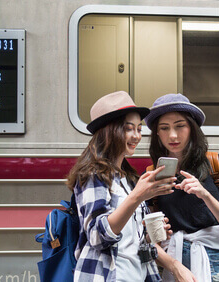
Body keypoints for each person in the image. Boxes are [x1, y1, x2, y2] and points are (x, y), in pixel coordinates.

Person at [66, 91, 176, 282]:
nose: (136, 136)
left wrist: (150, 236)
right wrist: (137, 197)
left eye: (139, 129)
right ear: (110, 130)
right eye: (128, 129)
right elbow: (97, 237)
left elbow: (130, 241)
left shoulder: (129, 178)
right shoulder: (93, 174)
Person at [145, 93, 219, 282]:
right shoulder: (151, 175)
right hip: (176, 263)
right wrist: (175, 267)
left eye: (180, 126)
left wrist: (204, 194)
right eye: (164, 128)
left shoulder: (217, 164)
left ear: (192, 128)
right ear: (157, 133)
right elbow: (150, 239)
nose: (172, 135)